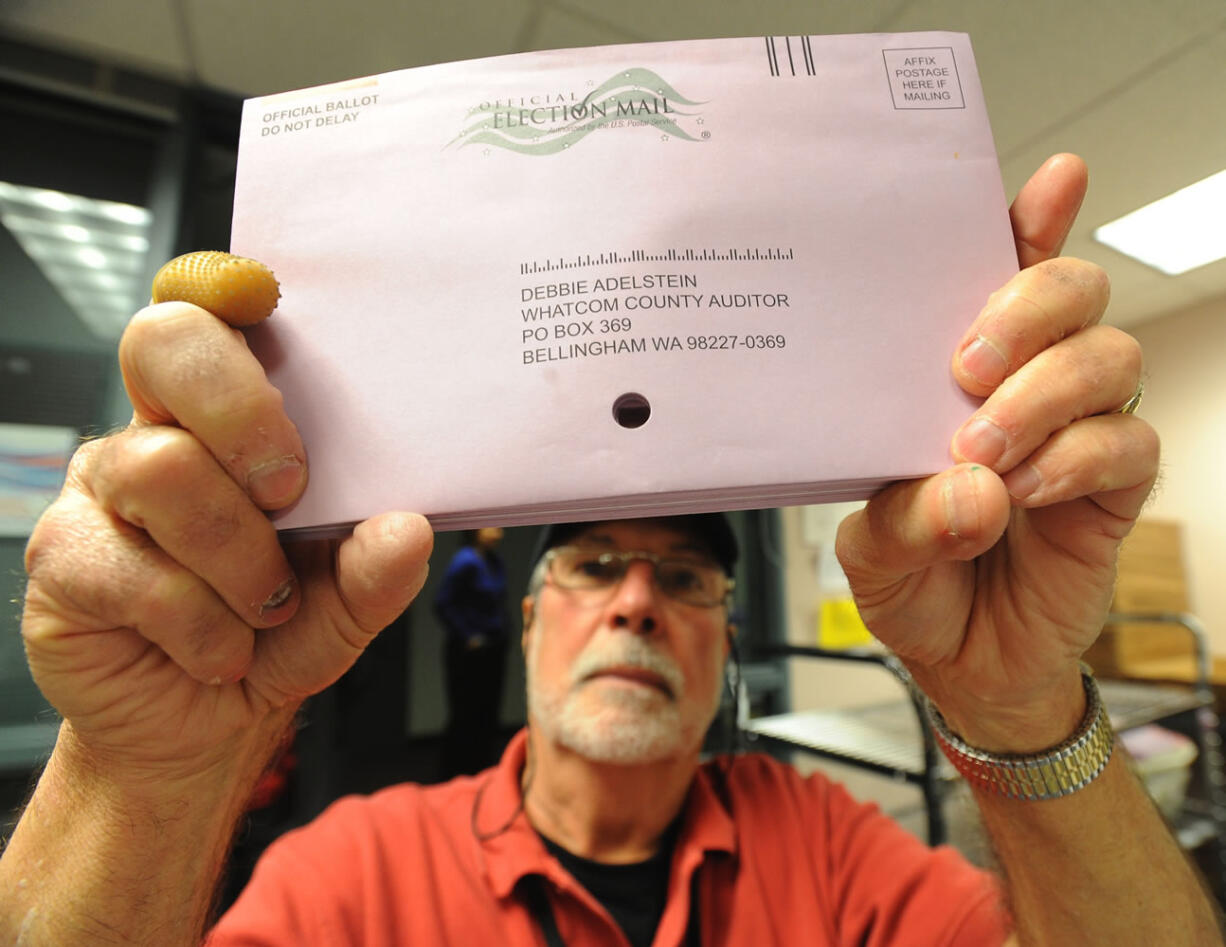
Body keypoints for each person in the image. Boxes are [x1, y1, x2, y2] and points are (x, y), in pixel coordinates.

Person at [1, 154, 1221, 946]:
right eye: (590, 564)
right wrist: (142, 781)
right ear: (530, 618)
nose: (637, 601)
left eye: (684, 577)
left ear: (724, 640)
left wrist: (1016, 703)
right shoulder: (353, 879)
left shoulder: (839, 854)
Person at [434, 526, 511, 775]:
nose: (499, 532)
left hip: (493, 648)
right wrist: (468, 635)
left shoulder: (493, 559)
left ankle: (483, 774)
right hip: (469, 653)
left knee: (488, 712)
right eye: (492, 527)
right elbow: (443, 603)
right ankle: (458, 774)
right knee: (466, 713)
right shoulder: (465, 561)